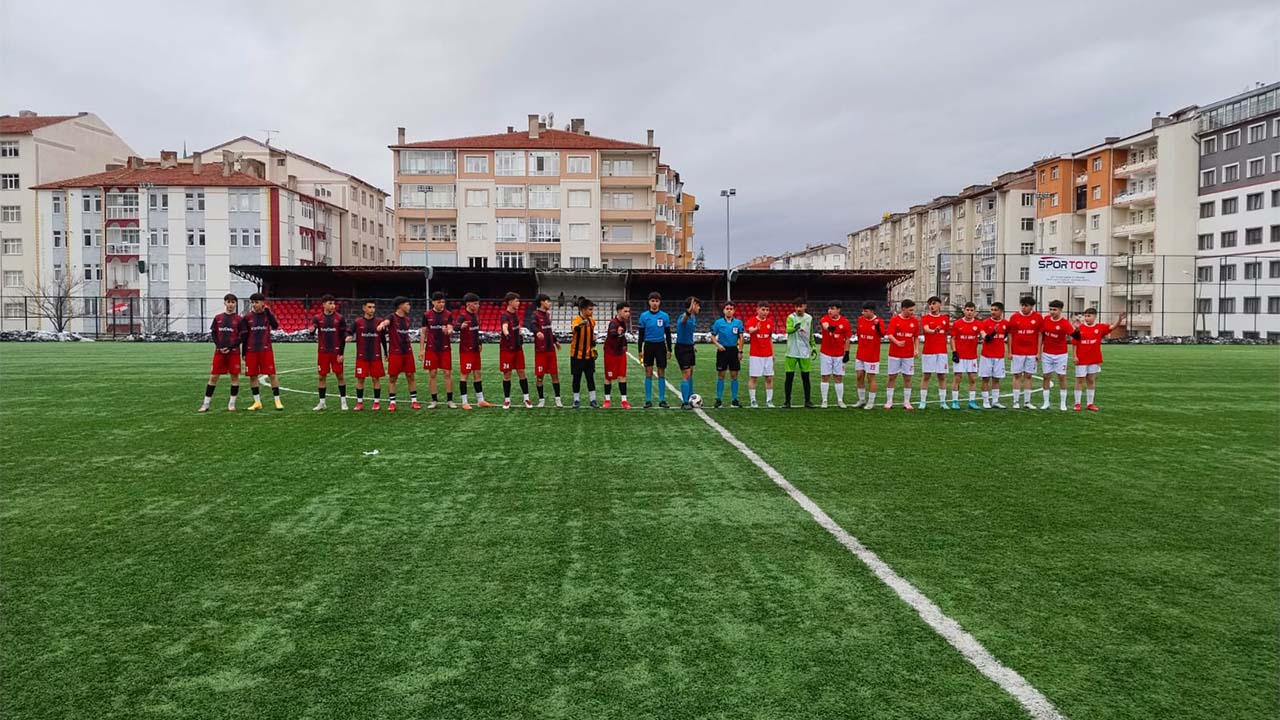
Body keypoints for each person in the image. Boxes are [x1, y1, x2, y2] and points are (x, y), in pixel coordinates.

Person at [1071, 308, 1126, 411]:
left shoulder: (1100, 327)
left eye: (1089, 316)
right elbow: (1074, 343)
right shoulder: (1080, 328)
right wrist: (1075, 356)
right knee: (1079, 380)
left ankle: (1090, 403)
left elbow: (1113, 327)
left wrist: (1119, 320)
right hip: (1081, 359)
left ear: (1095, 316)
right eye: (1086, 316)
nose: (1087, 318)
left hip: (1094, 359)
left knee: (1091, 380)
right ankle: (1077, 403)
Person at [200, 293, 244, 413]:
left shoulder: (239, 319)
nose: (230, 304)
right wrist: (219, 346)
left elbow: (242, 337)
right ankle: (206, 404)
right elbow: (214, 334)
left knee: (234, 377)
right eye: (228, 302)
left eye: (233, 302)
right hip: (219, 352)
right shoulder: (218, 318)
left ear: (236, 304)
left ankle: (231, 404)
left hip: (233, 352)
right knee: (213, 377)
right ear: (225, 303)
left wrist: (230, 347)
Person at [242, 292, 282, 411]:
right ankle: (257, 402)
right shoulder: (247, 317)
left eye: (257, 302)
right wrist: (243, 352)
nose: (254, 304)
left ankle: (277, 401)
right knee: (253, 376)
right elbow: (245, 336)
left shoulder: (267, 315)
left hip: (266, 350)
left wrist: (268, 312)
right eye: (253, 302)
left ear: (263, 303)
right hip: (251, 351)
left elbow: (275, 326)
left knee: (272, 375)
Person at [380, 296, 420, 411]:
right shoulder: (392, 317)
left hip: (407, 351)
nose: (409, 307)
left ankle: (414, 401)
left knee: (410, 376)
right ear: (400, 306)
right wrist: (382, 324)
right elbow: (386, 322)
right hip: (395, 352)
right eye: (407, 304)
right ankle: (392, 402)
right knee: (393, 378)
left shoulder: (407, 319)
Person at [311, 294, 348, 411]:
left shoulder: (340, 318)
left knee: (340, 376)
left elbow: (343, 336)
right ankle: (322, 403)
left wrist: (341, 353)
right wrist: (312, 330)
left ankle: (343, 402)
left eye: (334, 303)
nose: (333, 306)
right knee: (321, 377)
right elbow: (313, 330)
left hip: (336, 352)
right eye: (330, 303)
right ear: (323, 305)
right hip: (323, 352)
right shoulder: (317, 318)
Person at [454, 292, 491, 410]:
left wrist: (479, 343)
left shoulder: (475, 316)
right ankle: (464, 402)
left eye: (478, 303)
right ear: (469, 304)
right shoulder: (462, 316)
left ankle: (480, 400)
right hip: (466, 350)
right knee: (465, 374)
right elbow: (455, 327)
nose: (477, 306)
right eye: (475, 303)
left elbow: (476, 332)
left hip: (475, 350)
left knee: (477, 373)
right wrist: (460, 327)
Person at [419, 291, 455, 409]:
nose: (441, 304)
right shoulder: (427, 315)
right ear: (433, 302)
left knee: (447, 373)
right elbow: (423, 333)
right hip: (431, 349)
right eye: (439, 302)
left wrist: (448, 331)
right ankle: (434, 400)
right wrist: (421, 350)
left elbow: (450, 328)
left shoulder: (448, 314)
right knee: (432, 373)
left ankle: (450, 400)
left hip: (445, 348)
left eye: (443, 302)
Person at [637, 292, 673, 408]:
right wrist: (640, 350)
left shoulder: (664, 316)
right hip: (648, 346)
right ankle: (648, 400)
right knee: (648, 373)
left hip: (660, 346)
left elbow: (668, 334)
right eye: (652, 301)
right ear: (649, 302)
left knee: (661, 372)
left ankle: (662, 400)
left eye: (657, 301)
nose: (654, 303)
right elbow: (641, 335)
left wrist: (669, 349)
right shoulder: (644, 316)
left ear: (659, 302)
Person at [349, 299, 386, 411]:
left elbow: (383, 338)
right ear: (364, 308)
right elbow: (349, 331)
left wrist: (386, 352)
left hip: (376, 356)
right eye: (369, 307)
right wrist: (349, 336)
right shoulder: (358, 322)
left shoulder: (379, 321)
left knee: (376, 379)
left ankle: (376, 402)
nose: (372, 309)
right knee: (360, 379)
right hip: (362, 356)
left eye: (373, 307)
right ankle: (359, 402)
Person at [1007, 296, 1043, 410]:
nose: (1024, 307)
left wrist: (1039, 352)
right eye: (1022, 305)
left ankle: (1027, 401)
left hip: (1031, 352)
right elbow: (1010, 335)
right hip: (1017, 352)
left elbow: (1040, 335)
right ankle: (1016, 401)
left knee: (1028, 376)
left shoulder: (1037, 317)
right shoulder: (1014, 317)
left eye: (1026, 305)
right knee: (1017, 375)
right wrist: (1010, 351)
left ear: (1031, 306)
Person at [884, 299, 921, 410]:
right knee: (892, 377)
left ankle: (907, 402)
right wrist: (897, 342)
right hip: (894, 354)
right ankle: (889, 401)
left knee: (908, 378)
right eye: (910, 310)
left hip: (908, 355)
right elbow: (890, 335)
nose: (912, 312)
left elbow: (916, 337)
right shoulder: (895, 320)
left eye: (913, 310)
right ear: (903, 309)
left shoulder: (914, 321)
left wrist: (916, 349)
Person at [499, 292, 532, 409]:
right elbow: (504, 327)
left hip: (518, 349)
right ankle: (507, 400)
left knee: (521, 372)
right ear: (510, 302)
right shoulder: (505, 315)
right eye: (517, 301)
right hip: (507, 350)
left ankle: (526, 398)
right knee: (507, 374)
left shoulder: (516, 315)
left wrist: (519, 336)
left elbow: (516, 329)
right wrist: (507, 334)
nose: (519, 303)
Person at [1039, 300, 1073, 411]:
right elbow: (1041, 335)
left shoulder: (1065, 323)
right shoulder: (1046, 320)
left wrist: (1077, 327)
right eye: (1050, 309)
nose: (1052, 312)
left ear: (1060, 310)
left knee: (1061, 377)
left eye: (1054, 310)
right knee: (1046, 377)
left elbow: (1074, 335)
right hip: (1047, 353)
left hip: (1061, 354)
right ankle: (1046, 403)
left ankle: (1063, 403)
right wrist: (1039, 351)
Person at [529, 293, 562, 408]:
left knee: (555, 375)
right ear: (542, 302)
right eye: (548, 301)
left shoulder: (547, 315)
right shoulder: (535, 315)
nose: (549, 303)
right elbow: (532, 326)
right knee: (540, 377)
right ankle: (541, 400)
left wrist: (555, 341)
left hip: (550, 350)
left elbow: (549, 331)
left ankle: (558, 399)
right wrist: (537, 332)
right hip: (541, 352)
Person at [710, 302, 745, 408]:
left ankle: (734, 400)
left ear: (734, 310)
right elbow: (712, 336)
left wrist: (740, 351)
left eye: (731, 308)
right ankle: (719, 399)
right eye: (727, 308)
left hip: (734, 350)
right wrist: (718, 345)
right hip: (722, 351)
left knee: (734, 376)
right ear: (724, 310)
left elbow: (741, 338)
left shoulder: (738, 323)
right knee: (721, 375)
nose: (729, 310)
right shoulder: (718, 323)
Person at [783, 298, 816, 408]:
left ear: (805, 306)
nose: (798, 309)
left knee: (806, 377)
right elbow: (788, 330)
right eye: (796, 306)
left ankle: (807, 401)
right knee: (789, 378)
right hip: (791, 352)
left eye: (800, 306)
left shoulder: (809, 318)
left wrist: (813, 346)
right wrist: (794, 328)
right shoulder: (791, 317)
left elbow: (810, 333)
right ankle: (787, 402)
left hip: (804, 352)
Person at [918, 296, 951, 410]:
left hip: (942, 352)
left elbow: (947, 331)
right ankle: (923, 401)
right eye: (930, 304)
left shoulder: (945, 319)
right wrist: (934, 331)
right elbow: (926, 329)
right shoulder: (926, 318)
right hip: (928, 351)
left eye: (933, 303)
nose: (931, 306)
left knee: (941, 376)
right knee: (926, 376)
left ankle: (943, 402)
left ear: (939, 304)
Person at [949, 302, 983, 410]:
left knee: (972, 378)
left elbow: (983, 334)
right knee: (957, 378)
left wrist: (988, 336)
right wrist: (954, 352)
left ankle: (972, 401)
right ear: (964, 310)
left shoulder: (978, 324)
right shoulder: (957, 323)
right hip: (960, 356)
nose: (969, 312)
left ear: (974, 312)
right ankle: (955, 401)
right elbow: (952, 339)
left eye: (971, 310)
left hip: (972, 356)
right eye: (967, 310)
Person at [818, 301, 851, 408]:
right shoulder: (825, 319)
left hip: (839, 354)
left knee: (838, 377)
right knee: (825, 376)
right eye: (829, 308)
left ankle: (840, 400)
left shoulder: (845, 322)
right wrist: (829, 328)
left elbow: (847, 339)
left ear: (838, 310)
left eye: (832, 308)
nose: (830, 311)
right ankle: (824, 400)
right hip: (826, 353)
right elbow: (825, 325)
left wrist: (847, 353)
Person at [853, 301, 886, 409]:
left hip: (872, 355)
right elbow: (859, 334)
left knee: (870, 378)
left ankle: (871, 402)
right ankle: (861, 400)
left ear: (872, 311)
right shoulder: (860, 320)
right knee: (859, 376)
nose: (863, 313)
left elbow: (882, 334)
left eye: (865, 311)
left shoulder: (879, 321)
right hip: (861, 354)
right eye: (862, 310)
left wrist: (876, 326)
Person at [978, 302, 1010, 409]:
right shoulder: (985, 323)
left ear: (1001, 311)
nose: (993, 312)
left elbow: (1007, 335)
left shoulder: (1006, 323)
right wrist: (993, 333)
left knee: (997, 379)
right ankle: (986, 401)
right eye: (991, 310)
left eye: (995, 310)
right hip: (986, 355)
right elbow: (986, 338)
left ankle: (995, 401)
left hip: (999, 356)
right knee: (985, 378)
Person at [569, 297, 599, 409]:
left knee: (590, 378)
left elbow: (591, 336)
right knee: (576, 378)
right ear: (583, 309)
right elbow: (574, 328)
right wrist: (581, 324)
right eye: (590, 309)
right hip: (577, 355)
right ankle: (576, 400)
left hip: (589, 355)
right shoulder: (576, 320)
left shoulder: (592, 321)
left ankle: (593, 400)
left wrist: (593, 343)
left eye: (592, 309)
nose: (592, 312)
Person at [745, 302, 775, 408]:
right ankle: (753, 400)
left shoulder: (770, 323)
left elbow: (770, 338)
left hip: (768, 354)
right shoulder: (752, 321)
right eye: (763, 309)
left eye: (767, 310)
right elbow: (750, 330)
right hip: (756, 355)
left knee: (769, 378)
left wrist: (773, 353)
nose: (765, 312)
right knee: (753, 378)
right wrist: (756, 329)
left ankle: (769, 400)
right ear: (757, 310)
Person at [602, 301, 632, 409]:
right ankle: (607, 400)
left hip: (620, 353)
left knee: (622, 375)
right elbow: (612, 333)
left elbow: (622, 336)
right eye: (625, 311)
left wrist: (624, 345)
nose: (628, 313)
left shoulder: (623, 322)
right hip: (610, 353)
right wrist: (617, 333)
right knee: (608, 377)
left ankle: (624, 400)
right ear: (619, 311)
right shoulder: (613, 323)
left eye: (628, 311)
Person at [675, 296, 700, 409]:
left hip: (689, 347)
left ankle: (691, 396)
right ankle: (685, 402)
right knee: (686, 374)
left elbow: (688, 333)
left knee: (691, 372)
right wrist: (688, 311)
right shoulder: (683, 316)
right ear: (691, 306)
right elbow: (683, 320)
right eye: (697, 305)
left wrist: (693, 344)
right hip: (681, 348)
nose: (699, 307)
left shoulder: (694, 318)